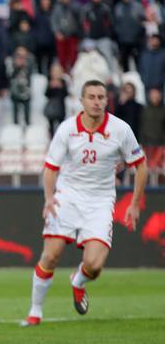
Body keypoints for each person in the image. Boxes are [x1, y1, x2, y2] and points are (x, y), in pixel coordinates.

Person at [21, 80, 147, 327]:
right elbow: (50, 169)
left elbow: (141, 166)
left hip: (100, 201)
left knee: (94, 265)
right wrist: (49, 199)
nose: (97, 101)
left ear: (106, 101)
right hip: (67, 196)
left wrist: (134, 204)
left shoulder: (120, 129)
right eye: (91, 97)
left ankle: (78, 281)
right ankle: (35, 312)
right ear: (82, 101)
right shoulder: (67, 129)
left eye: (101, 97)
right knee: (51, 254)